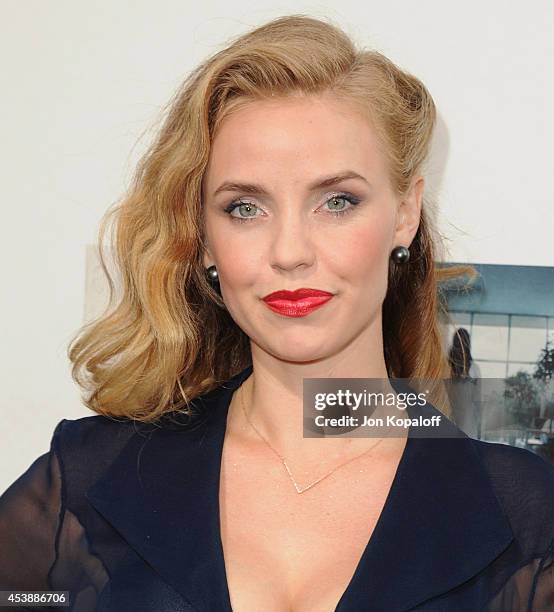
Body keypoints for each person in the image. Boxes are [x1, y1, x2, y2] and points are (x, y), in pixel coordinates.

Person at [1, 13, 554, 612]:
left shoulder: (525, 518)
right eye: (244, 208)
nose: (290, 252)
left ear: (405, 212)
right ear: (204, 238)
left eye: (337, 201)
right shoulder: (86, 484)